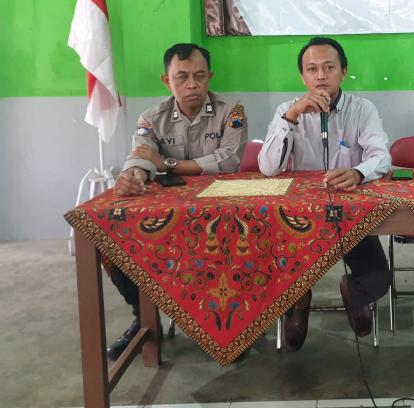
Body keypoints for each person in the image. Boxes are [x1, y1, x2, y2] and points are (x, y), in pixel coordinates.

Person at [108, 42, 248, 360]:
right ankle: (143, 318)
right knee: (114, 243)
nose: (192, 85)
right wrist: (134, 175)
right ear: (166, 80)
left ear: (210, 76)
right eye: (182, 77)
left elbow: (229, 160)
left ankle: (229, 324)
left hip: (220, 214)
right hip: (169, 216)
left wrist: (166, 164)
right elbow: (141, 156)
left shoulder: (233, 111)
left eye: (200, 76)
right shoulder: (151, 117)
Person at [258, 36, 391, 351]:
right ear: (302, 77)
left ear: (343, 71)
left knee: (378, 278)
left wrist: (359, 172)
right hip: (299, 218)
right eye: (312, 69)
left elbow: (381, 156)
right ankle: (298, 302)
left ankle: (353, 291)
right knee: (273, 273)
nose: (321, 76)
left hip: (351, 215)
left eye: (329, 67)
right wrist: (292, 117)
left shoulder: (362, 109)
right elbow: (268, 168)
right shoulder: (286, 110)